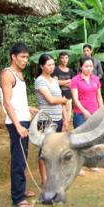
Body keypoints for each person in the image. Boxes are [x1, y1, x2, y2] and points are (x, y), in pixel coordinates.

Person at [0, 42, 38, 207]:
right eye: (22, 57)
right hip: (17, 123)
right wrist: (17, 125)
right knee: (18, 159)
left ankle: (20, 190)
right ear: (13, 56)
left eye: (26, 57)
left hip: (24, 119)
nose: (25, 60)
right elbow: (7, 103)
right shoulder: (7, 74)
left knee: (22, 158)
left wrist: (28, 108)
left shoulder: (19, 74)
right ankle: (17, 198)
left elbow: (16, 100)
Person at [35, 53, 68, 187]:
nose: (51, 67)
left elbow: (60, 103)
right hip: (45, 119)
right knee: (44, 151)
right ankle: (44, 179)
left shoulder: (54, 81)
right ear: (42, 66)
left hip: (58, 119)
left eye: (53, 64)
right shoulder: (39, 80)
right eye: (48, 65)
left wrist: (65, 119)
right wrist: (64, 100)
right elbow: (51, 100)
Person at [71, 56, 103, 174]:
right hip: (80, 114)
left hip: (94, 113)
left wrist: (101, 110)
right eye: (86, 66)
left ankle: (91, 164)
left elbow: (99, 96)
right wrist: (84, 111)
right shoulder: (75, 80)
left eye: (91, 66)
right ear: (81, 67)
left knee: (93, 139)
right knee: (79, 140)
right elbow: (75, 98)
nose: (89, 68)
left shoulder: (95, 79)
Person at [52, 52, 75, 124]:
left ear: (68, 59)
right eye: (62, 58)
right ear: (59, 59)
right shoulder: (55, 69)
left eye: (66, 58)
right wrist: (68, 81)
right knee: (59, 119)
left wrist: (61, 82)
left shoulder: (71, 71)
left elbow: (72, 84)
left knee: (67, 119)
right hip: (58, 98)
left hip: (69, 98)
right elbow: (55, 83)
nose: (64, 60)